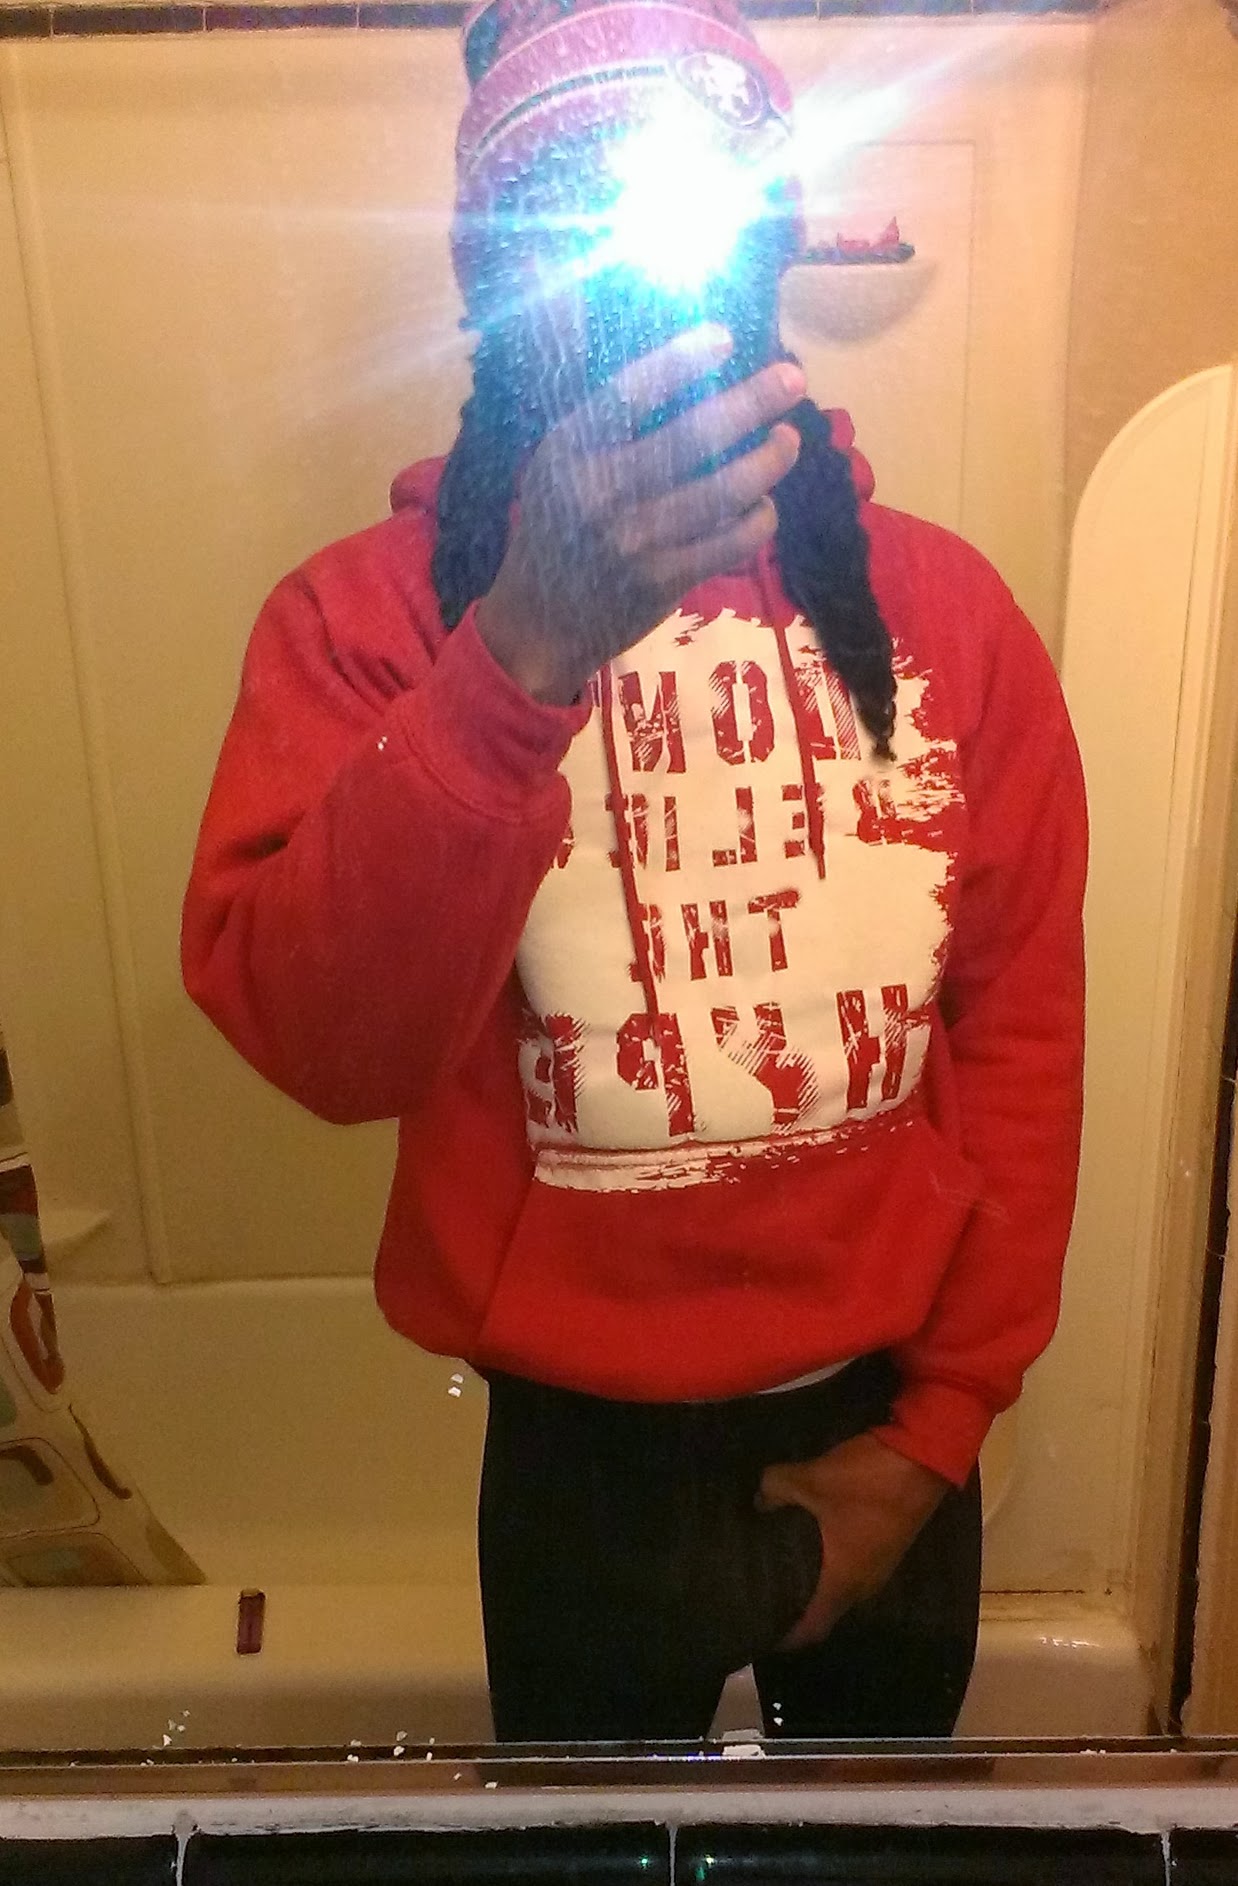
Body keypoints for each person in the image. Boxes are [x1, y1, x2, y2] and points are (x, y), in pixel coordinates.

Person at [182, 0, 1087, 1744]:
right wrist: (520, 650)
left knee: (885, 1853)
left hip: (890, 1412)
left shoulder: (949, 616)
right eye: (570, 222)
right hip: (576, 1450)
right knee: (582, 1844)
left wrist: (936, 1432)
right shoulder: (364, 621)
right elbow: (325, 1046)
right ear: (489, 282)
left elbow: (1021, 1041)